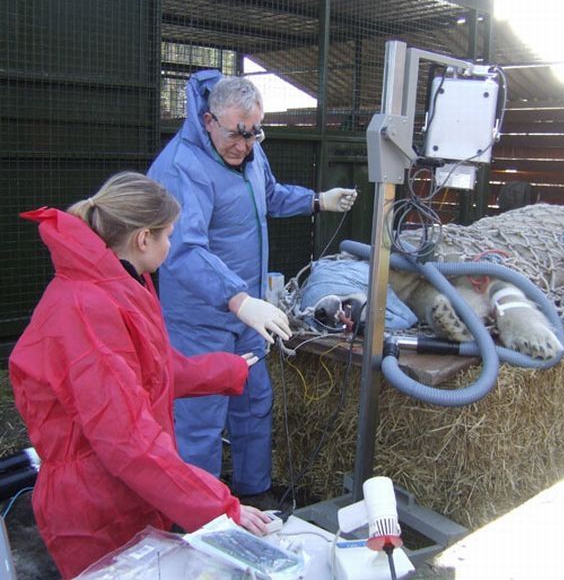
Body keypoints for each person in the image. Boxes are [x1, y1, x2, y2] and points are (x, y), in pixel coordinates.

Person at [8, 172, 272, 579]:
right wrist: (220, 508)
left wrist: (233, 368)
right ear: (143, 239)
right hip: (96, 507)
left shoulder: (118, 284)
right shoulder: (89, 310)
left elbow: (152, 371)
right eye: (168, 235)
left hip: (122, 491)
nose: (172, 245)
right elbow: (126, 439)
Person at [148, 70, 357, 508]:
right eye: (236, 134)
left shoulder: (249, 155)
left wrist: (318, 200)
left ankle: (253, 492)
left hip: (248, 311)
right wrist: (239, 299)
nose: (244, 145)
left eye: (254, 134)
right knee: (200, 417)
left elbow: (271, 195)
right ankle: (200, 514)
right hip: (200, 319)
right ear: (209, 121)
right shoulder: (181, 167)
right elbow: (182, 250)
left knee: (254, 400)